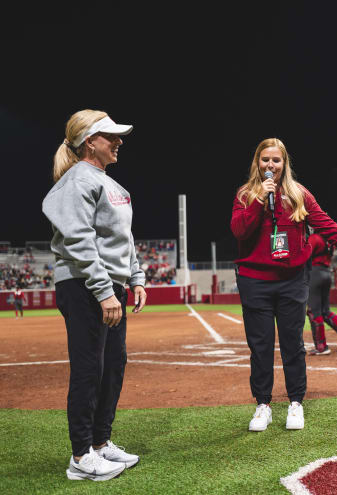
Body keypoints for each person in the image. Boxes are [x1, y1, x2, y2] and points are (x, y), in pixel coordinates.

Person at [231, 138, 337, 432]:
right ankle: (263, 405)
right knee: (259, 346)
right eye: (265, 160)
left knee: (293, 345)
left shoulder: (299, 194)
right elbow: (239, 231)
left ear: (284, 164)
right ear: (257, 162)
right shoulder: (246, 195)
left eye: (276, 160)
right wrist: (260, 201)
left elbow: (327, 225)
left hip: (292, 281)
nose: (270, 165)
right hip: (254, 281)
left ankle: (296, 402)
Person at [42, 110, 146, 481]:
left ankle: (101, 443)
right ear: (90, 142)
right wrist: (104, 290)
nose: (118, 142)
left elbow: (124, 239)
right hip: (84, 285)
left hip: (108, 285)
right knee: (89, 370)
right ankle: (81, 456)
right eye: (111, 136)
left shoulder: (110, 183)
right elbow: (80, 240)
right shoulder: (77, 181)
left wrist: (134, 277)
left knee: (113, 366)